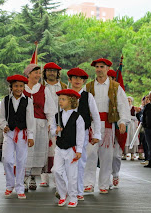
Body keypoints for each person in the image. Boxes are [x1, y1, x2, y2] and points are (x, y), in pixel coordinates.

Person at [84, 58, 130, 194]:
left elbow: (123, 105)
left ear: (108, 69)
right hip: (92, 125)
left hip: (108, 124)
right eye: (97, 67)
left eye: (102, 67)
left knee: (107, 155)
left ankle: (104, 184)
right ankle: (88, 183)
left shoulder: (116, 87)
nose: (99, 69)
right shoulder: (88, 86)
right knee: (90, 153)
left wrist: (122, 121)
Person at [67, 68, 101, 200]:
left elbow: (96, 116)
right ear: (69, 79)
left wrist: (97, 133)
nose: (77, 81)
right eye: (74, 78)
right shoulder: (65, 95)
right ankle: (66, 189)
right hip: (66, 134)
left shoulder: (88, 96)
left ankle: (79, 191)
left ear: (83, 81)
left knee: (80, 161)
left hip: (83, 133)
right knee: (66, 161)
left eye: (80, 79)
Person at [0, 74, 35, 199]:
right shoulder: (5, 100)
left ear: (24, 87)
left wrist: (30, 136)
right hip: (9, 133)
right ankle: (9, 185)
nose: (18, 88)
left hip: (22, 134)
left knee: (21, 161)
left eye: (21, 86)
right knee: (7, 159)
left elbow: (30, 120)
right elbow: (1, 117)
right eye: (16, 86)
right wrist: (4, 126)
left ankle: (19, 187)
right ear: (11, 87)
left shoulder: (28, 101)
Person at [23, 64, 56, 191]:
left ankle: (33, 178)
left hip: (40, 125)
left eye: (39, 73)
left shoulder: (43, 89)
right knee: (25, 151)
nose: (38, 75)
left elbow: (50, 110)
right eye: (35, 72)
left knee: (37, 151)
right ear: (28, 74)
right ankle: (24, 178)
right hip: (25, 125)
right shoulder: (22, 88)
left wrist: (49, 124)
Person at [51, 89, 85, 208]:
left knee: (72, 174)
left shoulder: (78, 117)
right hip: (59, 148)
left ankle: (73, 197)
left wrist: (79, 150)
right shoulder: (57, 116)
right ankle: (62, 194)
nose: (60, 101)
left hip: (72, 148)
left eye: (63, 99)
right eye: (60, 99)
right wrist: (56, 131)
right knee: (56, 171)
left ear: (71, 101)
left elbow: (81, 135)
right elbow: (51, 130)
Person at [40, 62, 67, 187]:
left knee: (58, 150)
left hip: (59, 121)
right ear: (44, 73)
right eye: (48, 70)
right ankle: (44, 177)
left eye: (54, 71)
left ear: (57, 73)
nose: (51, 73)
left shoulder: (64, 87)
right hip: (42, 121)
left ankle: (58, 177)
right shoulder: (39, 86)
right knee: (43, 148)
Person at [124, 96, 139, 161]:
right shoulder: (124, 108)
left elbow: (136, 118)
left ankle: (133, 154)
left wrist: (129, 117)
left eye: (129, 101)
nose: (128, 102)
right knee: (126, 138)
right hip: (126, 124)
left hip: (132, 125)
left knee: (132, 138)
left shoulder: (134, 108)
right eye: (127, 101)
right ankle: (125, 154)